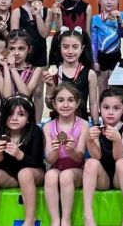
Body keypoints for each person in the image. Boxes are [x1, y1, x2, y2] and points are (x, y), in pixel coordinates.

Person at [0, 95, 44, 226]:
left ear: (28, 119)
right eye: (10, 114)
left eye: (21, 114)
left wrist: (19, 154)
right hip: (10, 175)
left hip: (34, 173)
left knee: (25, 173)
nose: (14, 118)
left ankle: (30, 220)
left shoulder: (35, 132)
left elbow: (37, 161)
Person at [83, 88, 123, 226]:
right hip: (103, 179)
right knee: (91, 162)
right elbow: (96, 155)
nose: (110, 112)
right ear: (100, 108)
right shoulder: (95, 129)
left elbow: (119, 156)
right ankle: (87, 215)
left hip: (120, 178)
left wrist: (117, 140)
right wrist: (89, 140)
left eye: (116, 108)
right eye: (106, 107)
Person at [43, 84, 89, 226]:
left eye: (70, 100)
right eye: (61, 100)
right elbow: (50, 160)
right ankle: (55, 220)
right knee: (50, 176)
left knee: (66, 176)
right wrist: (55, 150)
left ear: (78, 103)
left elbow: (80, 157)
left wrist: (71, 151)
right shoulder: (48, 127)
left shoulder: (84, 125)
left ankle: (66, 220)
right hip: (57, 167)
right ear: (54, 104)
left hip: (77, 170)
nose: (65, 105)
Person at [11, 0, 52, 122]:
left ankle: (37, 123)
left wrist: (37, 14)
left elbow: (44, 33)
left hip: (40, 55)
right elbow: (13, 37)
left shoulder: (48, 11)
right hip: (22, 57)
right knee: (22, 91)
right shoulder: (17, 12)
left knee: (38, 92)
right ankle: (23, 121)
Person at [43, 26, 99, 123]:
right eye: (65, 47)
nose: (70, 51)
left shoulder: (90, 74)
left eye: (75, 47)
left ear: (82, 49)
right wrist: (50, 86)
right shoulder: (54, 72)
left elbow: (93, 103)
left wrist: (96, 125)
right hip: (58, 124)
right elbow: (49, 105)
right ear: (60, 48)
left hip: (81, 124)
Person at [91, 0, 123, 93]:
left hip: (115, 56)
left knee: (116, 90)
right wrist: (95, 61)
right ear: (99, 0)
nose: (109, 1)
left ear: (117, 1)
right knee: (102, 90)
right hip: (101, 57)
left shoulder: (121, 16)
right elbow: (94, 42)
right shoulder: (95, 19)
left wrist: (119, 20)